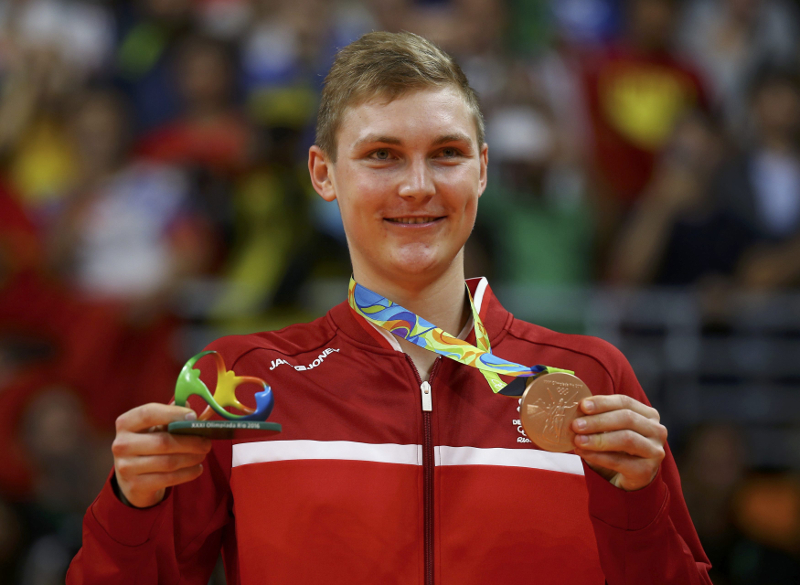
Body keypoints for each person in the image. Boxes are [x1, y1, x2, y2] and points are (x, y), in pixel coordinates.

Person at [67, 31, 711, 584]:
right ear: (323, 174)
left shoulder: (589, 383)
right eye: (381, 155)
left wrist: (639, 508)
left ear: (482, 171)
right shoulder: (242, 386)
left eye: (447, 154)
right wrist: (133, 504)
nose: (417, 186)